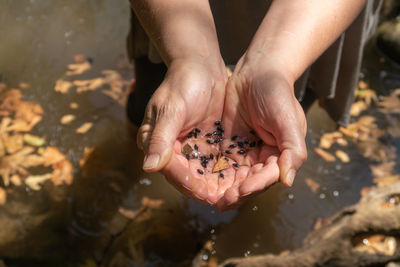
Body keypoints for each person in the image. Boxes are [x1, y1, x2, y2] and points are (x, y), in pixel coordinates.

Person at [127, 0, 382, 210]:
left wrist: (275, 67)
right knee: (154, 109)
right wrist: (189, 57)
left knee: (275, 129)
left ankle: (244, 210)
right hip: (172, 14)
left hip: (316, 17)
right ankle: (128, 166)